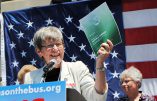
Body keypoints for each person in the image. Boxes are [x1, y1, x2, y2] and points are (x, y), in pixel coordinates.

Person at [24, 26, 113, 101]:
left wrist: (99, 63)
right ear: (39, 51)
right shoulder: (30, 78)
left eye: (58, 44)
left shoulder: (77, 68)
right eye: (50, 45)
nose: (55, 48)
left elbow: (96, 97)